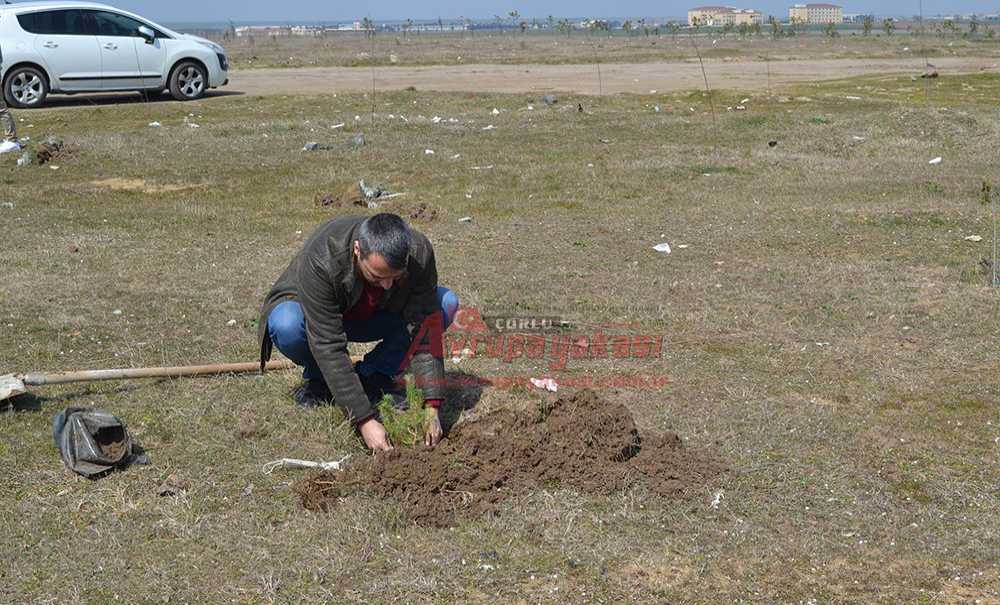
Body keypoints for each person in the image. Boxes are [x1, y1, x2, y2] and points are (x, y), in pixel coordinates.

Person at [257, 213, 459, 452]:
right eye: (377, 276)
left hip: (378, 315)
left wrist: (432, 405)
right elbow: (328, 343)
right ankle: (320, 380)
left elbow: (425, 325)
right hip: (319, 318)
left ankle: (374, 375)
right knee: (286, 324)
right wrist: (364, 420)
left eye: (395, 277)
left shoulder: (418, 252)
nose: (387, 285)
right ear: (357, 250)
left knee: (445, 303)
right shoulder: (322, 257)